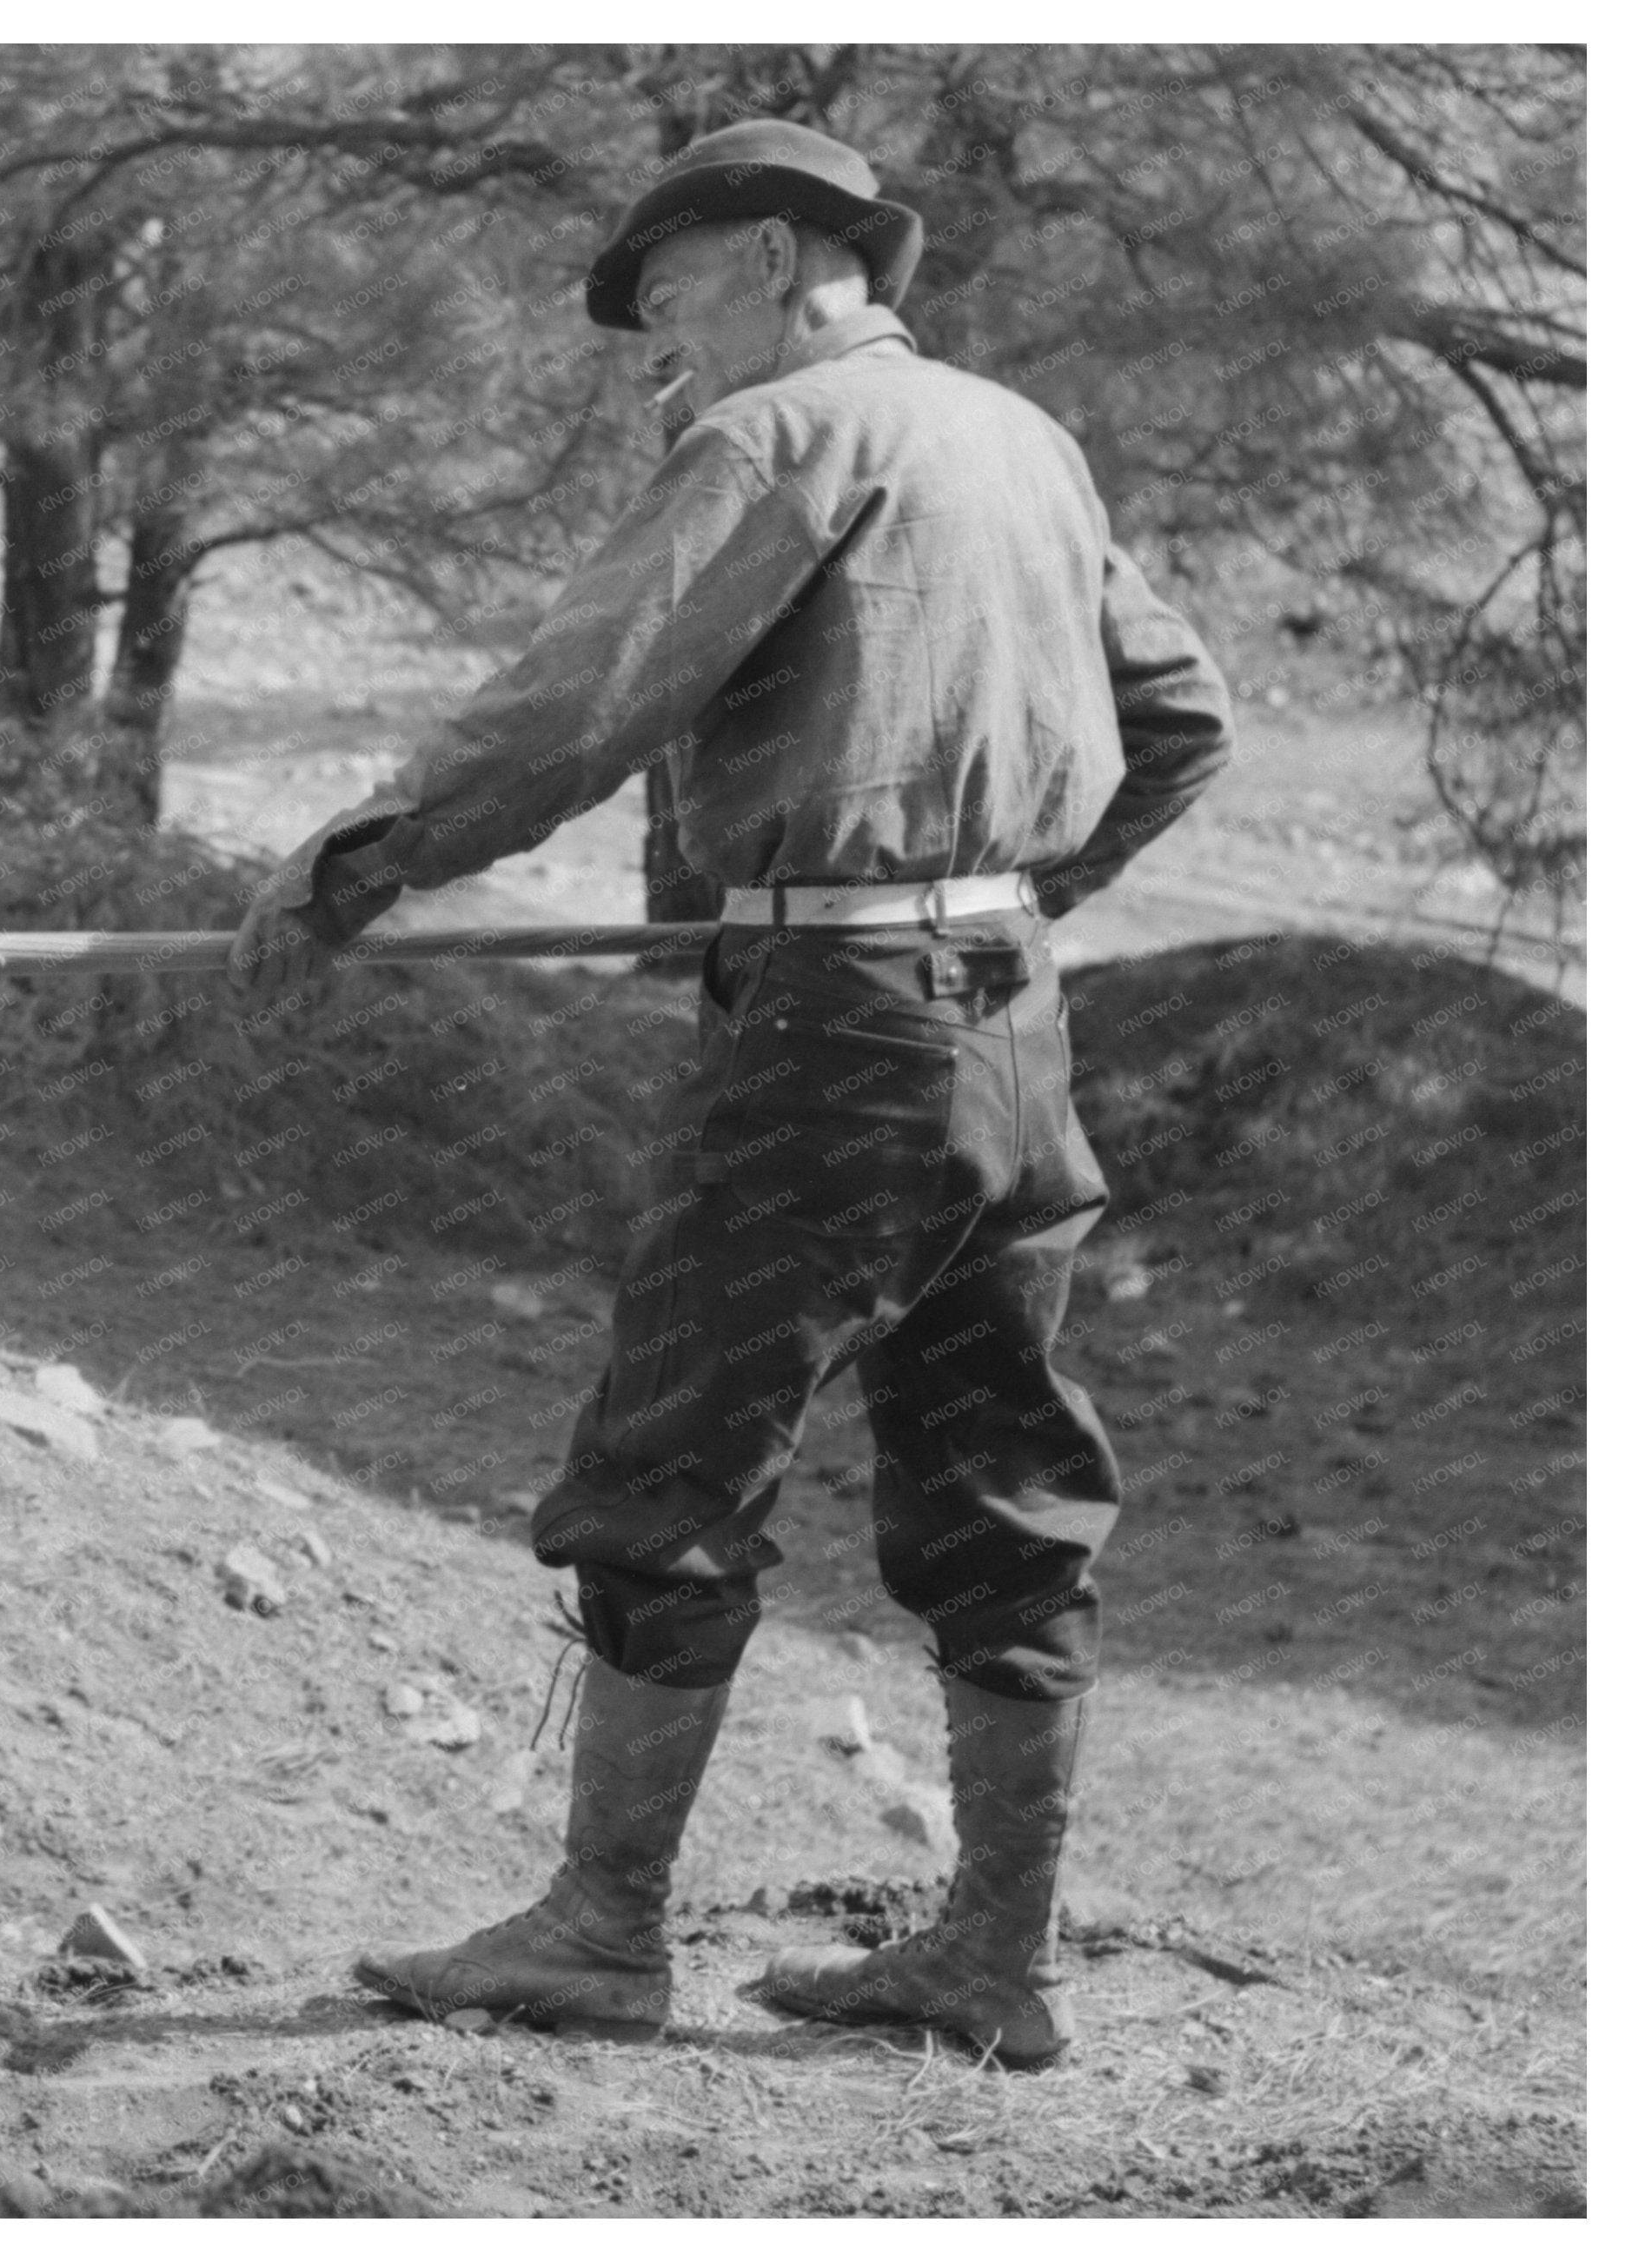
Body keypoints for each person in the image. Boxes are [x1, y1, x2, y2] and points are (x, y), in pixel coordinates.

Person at [228, 119, 1234, 2071]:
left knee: (669, 1467)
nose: (652, 344)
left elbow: (591, 689)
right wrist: (1009, 898)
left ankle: (602, 1934)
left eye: (669, 294)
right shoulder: (1016, 436)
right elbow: (1182, 721)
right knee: (1004, 1488)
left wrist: (362, 854)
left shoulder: (779, 441)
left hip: (835, 1035)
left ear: (777, 259)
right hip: (1007, 1029)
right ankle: (990, 1961)